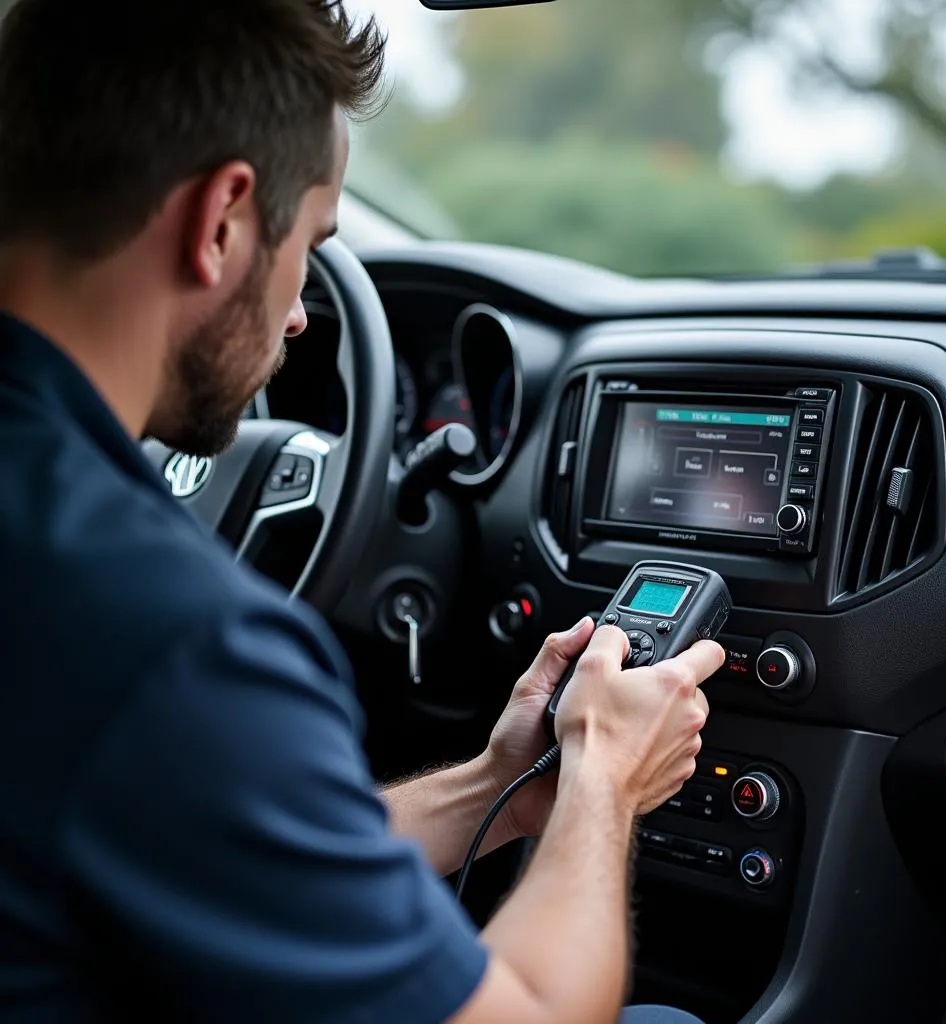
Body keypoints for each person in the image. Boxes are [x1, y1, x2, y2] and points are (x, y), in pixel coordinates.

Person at [0, 2, 723, 1022]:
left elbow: (219, 835)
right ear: (221, 221)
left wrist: (496, 794)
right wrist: (605, 778)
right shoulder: (178, 641)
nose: (301, 313)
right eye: (312, 241)